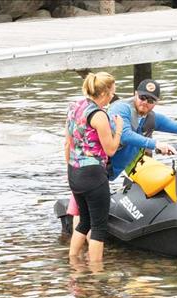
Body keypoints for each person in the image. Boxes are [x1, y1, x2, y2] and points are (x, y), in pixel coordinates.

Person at [66, 72, 123, 263]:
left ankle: (73, 261)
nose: (113, 96)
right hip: (93, 175)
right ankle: (96, 271)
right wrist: (119, 129)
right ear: (105, 93)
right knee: (99, 226)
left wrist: (70, 168)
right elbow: (111, 149)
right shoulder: (99, 115)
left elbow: (67, 143)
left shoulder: (75, 107)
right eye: (113, 93)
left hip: (74, 171)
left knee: (84, 221)